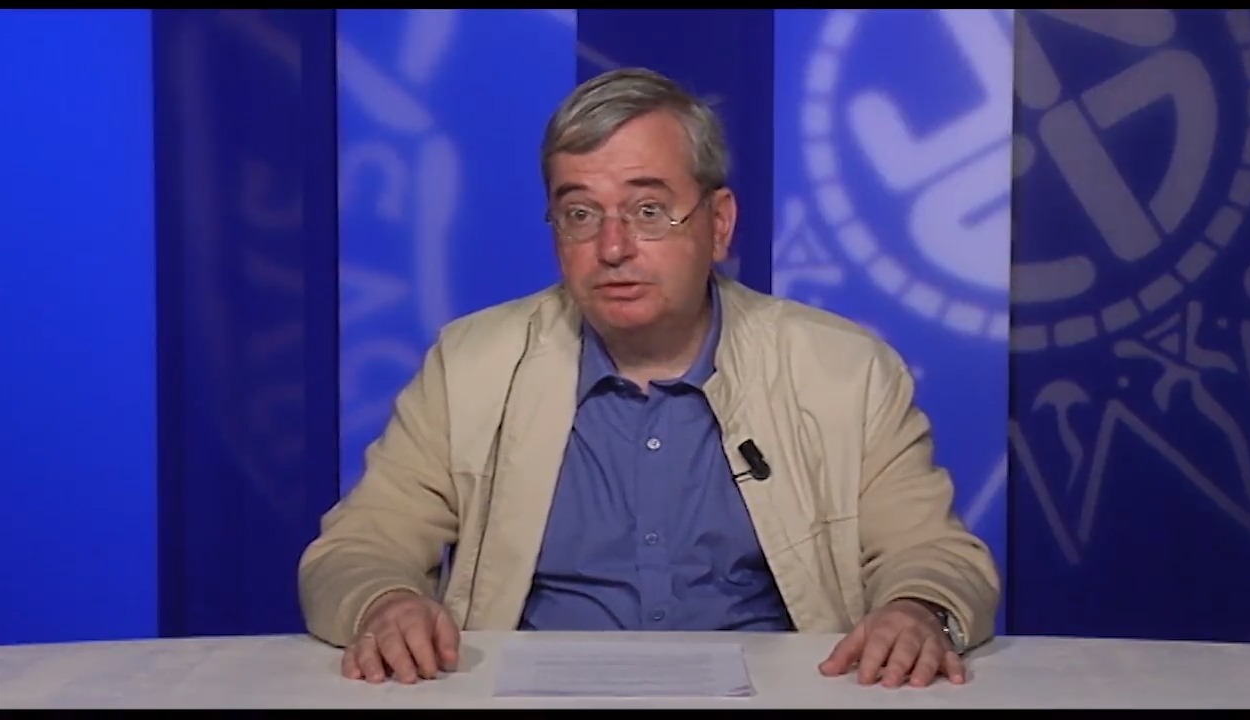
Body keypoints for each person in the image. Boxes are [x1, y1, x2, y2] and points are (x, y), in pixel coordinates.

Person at [298, 66, 1001, 690]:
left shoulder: (844, 371)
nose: (613, 247)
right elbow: (358, 548)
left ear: (718, 224)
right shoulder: (471, 365)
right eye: (580, 214)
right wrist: (385, 603)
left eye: (648, 211)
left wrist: (915, 611)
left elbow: (935, 555)